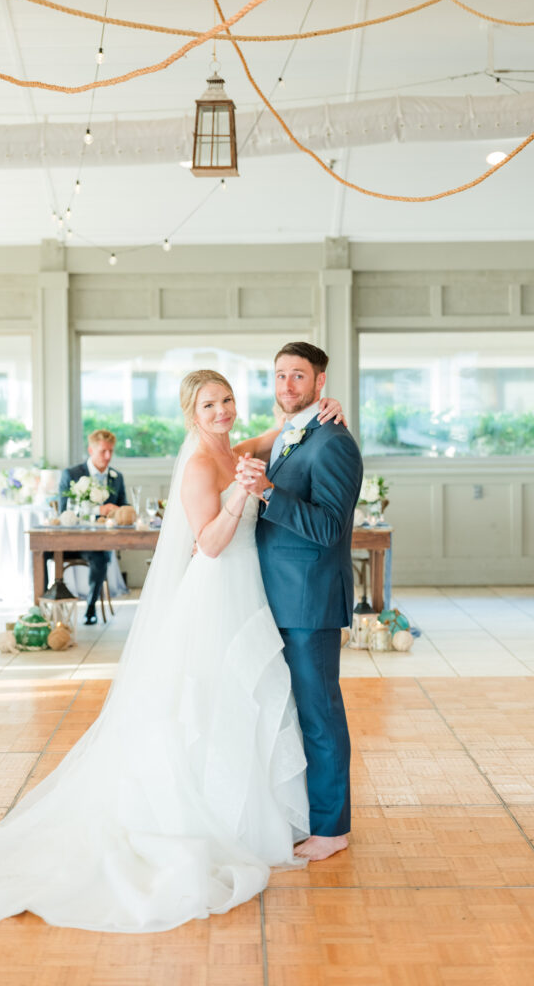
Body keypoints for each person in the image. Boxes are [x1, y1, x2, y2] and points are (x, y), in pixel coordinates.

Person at [0, 372, 345, 932]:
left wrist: (320, 409)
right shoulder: (198, 464)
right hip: (217, 593)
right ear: (191, 412)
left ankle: (250, 814)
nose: (222, 410)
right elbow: (208, 544)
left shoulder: (229, 447)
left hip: (246, 593)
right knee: (206, 705)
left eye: (228, 400)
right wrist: (244, 493)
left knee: (246, 699)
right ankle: (212, 816)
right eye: (209, 404)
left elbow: (278, 431)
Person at [236, 342, 363, 862]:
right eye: (280, 376)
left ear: (320, 381)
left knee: (320, 713)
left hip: (309, 602)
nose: (288, 386)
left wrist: (268, 492)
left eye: (298, 376)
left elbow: (330, 528)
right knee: (289, 712)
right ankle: (302, 814)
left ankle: (333, 829)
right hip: (278, 599)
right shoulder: (294, 434)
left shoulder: (334, 442)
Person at [55, 429, 128, 625]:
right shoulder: (71, 474)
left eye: (111, 451)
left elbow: (124, 506)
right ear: (90, 450)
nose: (108, 456)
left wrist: (118, 512)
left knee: (101, 556)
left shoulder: (117, 477)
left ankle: (90, 607)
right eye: (103, 451)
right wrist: (98, 510)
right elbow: (64, 512)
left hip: (100, 542)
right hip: (73, 540)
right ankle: (48, 609)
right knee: (45, 553)